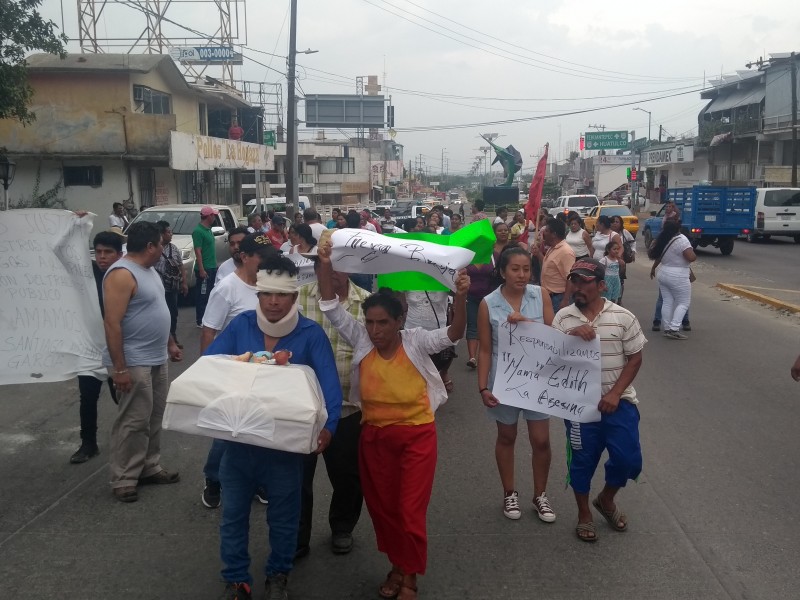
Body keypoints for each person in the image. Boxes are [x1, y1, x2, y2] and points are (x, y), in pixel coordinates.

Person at [316, 242, 470, 600]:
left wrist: (460, 298)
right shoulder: (361, 340)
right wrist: (325, 264)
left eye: (382, 322)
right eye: (369, 322)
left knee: (408, 509)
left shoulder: (415, 341)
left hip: (416, 439)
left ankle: (410, 578)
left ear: (399, 321)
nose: (374, 330)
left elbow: (454, 333)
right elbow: (329, 306)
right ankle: (398, 566)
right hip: (374, 439)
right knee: (384, 510)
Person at [205, 254, 342, 600]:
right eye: (267, 294)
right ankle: (236, 579)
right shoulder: (241, 326)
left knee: (284, 518)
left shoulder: (310, 334)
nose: (274, 302)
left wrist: (330, 427)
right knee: (233, 515)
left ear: (295, 298)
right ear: (258, 294)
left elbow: (330, 388)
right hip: (239, 445)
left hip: (284, 448)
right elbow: (210, 366)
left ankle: (278, 574)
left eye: (282, 295)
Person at [552, 258, 646, 543]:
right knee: (581, 461)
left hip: (619, 405)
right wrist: (570, 336)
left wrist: (615, 393)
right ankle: (584, 514)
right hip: (580, 408)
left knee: (628, 459)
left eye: (584, 282)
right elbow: (550, 358)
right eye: (574, 281)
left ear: (602, 285)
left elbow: (635, 358)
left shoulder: (623, 317)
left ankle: (606, 499)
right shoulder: (563, 318)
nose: (577, 287)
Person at [102, 221, 183, 503]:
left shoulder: (149, 271)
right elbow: (112, 324)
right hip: (134, 361)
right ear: (150, 246)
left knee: (154, 416)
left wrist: (171, 343)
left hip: (156, 356)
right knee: (134, 420)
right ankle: (124, 477)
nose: (163, 248)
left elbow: (158, 309)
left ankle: (149, 467)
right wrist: (120, 369)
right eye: (160, 244)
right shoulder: (122, 274)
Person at [296, 259, 371, 559]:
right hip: (302, 408)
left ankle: (342, 527)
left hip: (348, 409)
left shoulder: (366, 303)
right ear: (316, 270)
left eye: (339, 267)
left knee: (348, 477)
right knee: (297, 479)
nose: (332, 274)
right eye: (326, 269)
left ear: (349, 269)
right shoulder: (297, 298)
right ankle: (297, 536)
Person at [477, 246, 556, 523]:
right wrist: (483, 388)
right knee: (507, 437)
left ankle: (540, 494)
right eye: (515, 269)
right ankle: (509, 492)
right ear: (502, 272)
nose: (522, 275)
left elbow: (552, 338)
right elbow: (485, 350)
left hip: (537, 381)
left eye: (526, 269)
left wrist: (527, 324)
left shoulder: (541, 295)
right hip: (504, 382)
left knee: (541, 440)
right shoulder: (488, 303)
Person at [200, 234, 276, 510]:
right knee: (227, 433)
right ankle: (213, 478)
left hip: (266, 373)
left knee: (258, 429)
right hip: (234, 372)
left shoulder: (269, 286)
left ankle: (256, 481)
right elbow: (209, 330)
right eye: (262, 258)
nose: (268, 263)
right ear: (245, 257)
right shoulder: (227, 288)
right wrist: (209, 371)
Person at [70, 230, 122, 464]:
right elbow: (61, 254)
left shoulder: (124, 275)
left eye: (107, 252)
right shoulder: (87, 273)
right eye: (98, 252)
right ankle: (88, 443)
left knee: (125, 399)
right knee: (87, 398)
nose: (102, 257)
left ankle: (128, 444)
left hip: (118, 350)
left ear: (119, 255)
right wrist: (75, 226)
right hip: (90, 348)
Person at [648, 220, 696, 340]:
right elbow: (690, 257)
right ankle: (674, 328)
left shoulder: (663, 238)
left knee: (667, 301)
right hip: (678, 275)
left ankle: (668, 327)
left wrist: (653, 268)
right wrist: (694, 255)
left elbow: (658, 256)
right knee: (683, 303)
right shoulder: (682, 239)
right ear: (678, 228)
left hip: (663, 272)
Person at [405, 290, 454, 391]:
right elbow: (398, 301)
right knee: (415, 371)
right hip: (412, 331)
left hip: (438, 330)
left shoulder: (444, 275)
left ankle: (443, 373)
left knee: (441, 360)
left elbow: (457, 292)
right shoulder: (406, 275)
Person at [155, 221, 189, 349]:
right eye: (169, 232)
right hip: (158, 288)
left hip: (172, 287)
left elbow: (181, 266)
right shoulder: (154, 248)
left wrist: (184, 282)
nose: (171, 234)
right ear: (161, 234)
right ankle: (161, 339)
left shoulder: (173, 248)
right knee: (159, 314)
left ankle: (173, 337)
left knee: (173, 313)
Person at [532, 218, 576, 314]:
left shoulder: (566, 252)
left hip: (558, 298)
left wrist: (565, 300)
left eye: (546, 231)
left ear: (554, 234)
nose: (543, 233)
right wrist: (538, 253)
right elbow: (548, 264)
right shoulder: (552, 248)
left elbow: (571, 278)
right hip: (549, 297)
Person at [465, 259, 496, 369]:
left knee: (487, 326)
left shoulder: (492, 256)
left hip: (488, 298)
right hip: (470, 297)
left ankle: (487, 354)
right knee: (472, 324)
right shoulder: (466, 257)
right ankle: (472, 357)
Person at [193, 205, 219, 328]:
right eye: (213, 215)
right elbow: (198, 251)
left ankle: (207, 318)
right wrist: (202, 269)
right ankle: (200, 320)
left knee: (210, 295)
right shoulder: (198, 231)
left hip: (212, 266)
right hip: (205, 269)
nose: (214, 217)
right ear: (209, 216)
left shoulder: (208, 229)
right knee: (203, 295)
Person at [610, 215, 635, 305]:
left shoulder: (624, 232)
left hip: (621, 261)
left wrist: (633, 252)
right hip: (609, 260)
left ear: (620, 224)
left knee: (620, 280)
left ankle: (619, 300)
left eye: (617, 222)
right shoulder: (607, 233)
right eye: (613, 222)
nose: (615, 224)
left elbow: (633, 242)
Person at [599, 240, 624, 304]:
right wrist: (603, 284)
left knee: (614, 297)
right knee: (607, 299)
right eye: (614, 249)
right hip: (607, 280)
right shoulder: (604, 260)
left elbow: (620, 271)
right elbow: (600, 273)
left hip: (616, 280)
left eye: (617, 249)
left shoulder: (618, 260)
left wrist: (622, 264)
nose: (616, 251)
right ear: (608, 250)